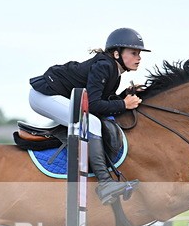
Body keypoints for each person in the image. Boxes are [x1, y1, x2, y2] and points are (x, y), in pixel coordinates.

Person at [29, 28, 149, 205]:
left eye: (139, 53)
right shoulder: (105, 66)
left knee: (91, 120)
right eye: (134, 53)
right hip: (43, 96)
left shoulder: (113, 70)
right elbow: (93, 105)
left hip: (53, 95)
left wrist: (125, 95)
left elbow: (101, 100)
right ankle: (105, 183)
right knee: (91, 122)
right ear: (116, 53)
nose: (139, 58)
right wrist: (123, 104)